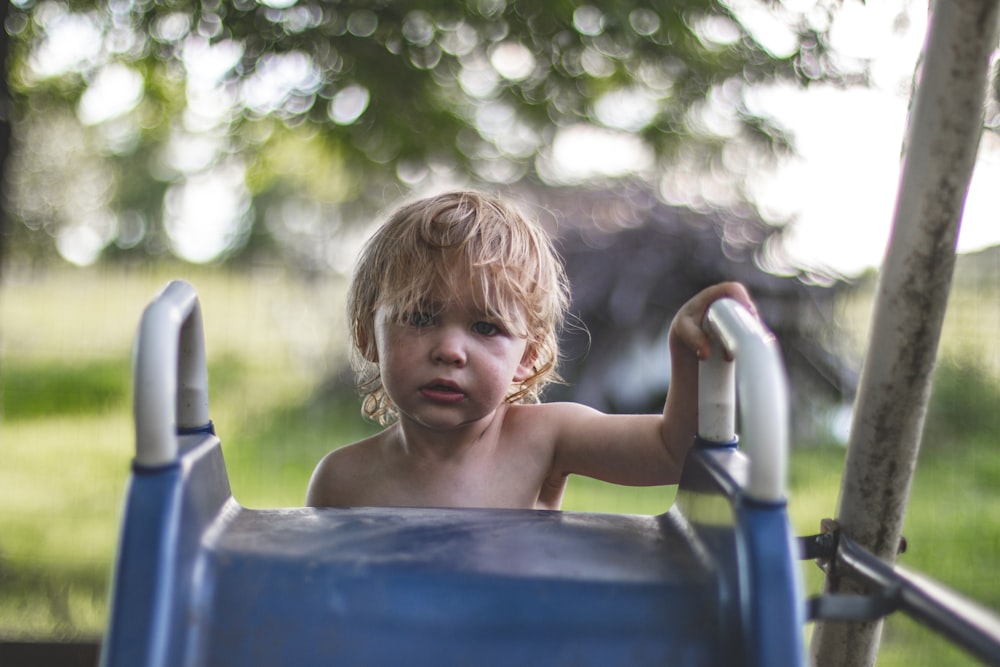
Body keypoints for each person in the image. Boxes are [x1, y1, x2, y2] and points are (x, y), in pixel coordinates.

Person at [306, 190, 756, 510]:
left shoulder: (545, 440)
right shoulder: (342, 480)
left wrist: (688, 353)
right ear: (368, 335)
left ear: (528, 358)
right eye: (421, 318)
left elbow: (673, 453)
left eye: (485, 326)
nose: (449, 350)